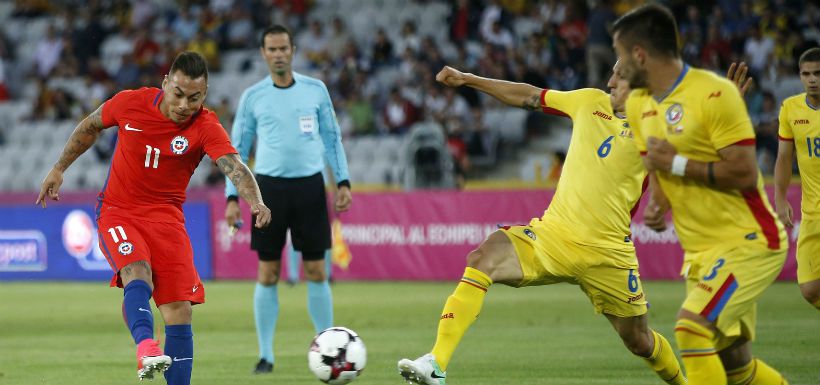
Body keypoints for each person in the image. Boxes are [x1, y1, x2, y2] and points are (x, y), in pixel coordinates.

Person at [397, 61, 686, 385]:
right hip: (554, 235)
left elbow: (672, 172)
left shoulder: (656, 127)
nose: (610, 81)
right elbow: (531, 96)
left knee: (639, 341)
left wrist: (661, 204)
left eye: (619, 75)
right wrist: (469, 80)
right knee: (483, 258)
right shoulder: (590, 103)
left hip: (608, 253)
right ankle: (437, 363)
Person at [36, 51, 272, 384]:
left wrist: (256, 201)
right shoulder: (130, 103)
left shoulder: (205, 124)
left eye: (195, 97)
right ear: (165, 84)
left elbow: (234, 167)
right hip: (119, 210)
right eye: (178, 94)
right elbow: (89, 127)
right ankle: (146, 346)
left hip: (167, 219)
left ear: (204, 95)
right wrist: (59, 168)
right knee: (138, 273)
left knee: (180, 311)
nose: (184, 105)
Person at [613, 4, 789, 385]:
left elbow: (743, 172)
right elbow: (656, 167)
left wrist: (678, 165)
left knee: (691, 328)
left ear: (640, 54)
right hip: (699, 254)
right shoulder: (640, 105)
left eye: (621, 58)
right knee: (737, 368)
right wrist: (657, 203)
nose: (619, 70)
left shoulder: (714, 93)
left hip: (749, 242)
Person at [223, 24, 352, 375]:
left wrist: (342, 181)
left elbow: (332, 138)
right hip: (267, 192)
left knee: (315, 270)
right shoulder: (253, 96)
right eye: (272, 49)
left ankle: (329, 348)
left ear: (293, 50)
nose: (278, 54)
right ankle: (266, 355)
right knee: (268, 273)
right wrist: (232, 196)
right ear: (263, 53)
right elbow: (237, 149)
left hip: (310, 187)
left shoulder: (315, 90)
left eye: (283, 48)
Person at [774, 47, 820, 311]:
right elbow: (783, 159)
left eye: (817, 73)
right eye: (806, 74)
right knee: (810, 289)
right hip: (812, 213)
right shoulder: (790, 109)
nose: (812, 79)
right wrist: (780, 199)